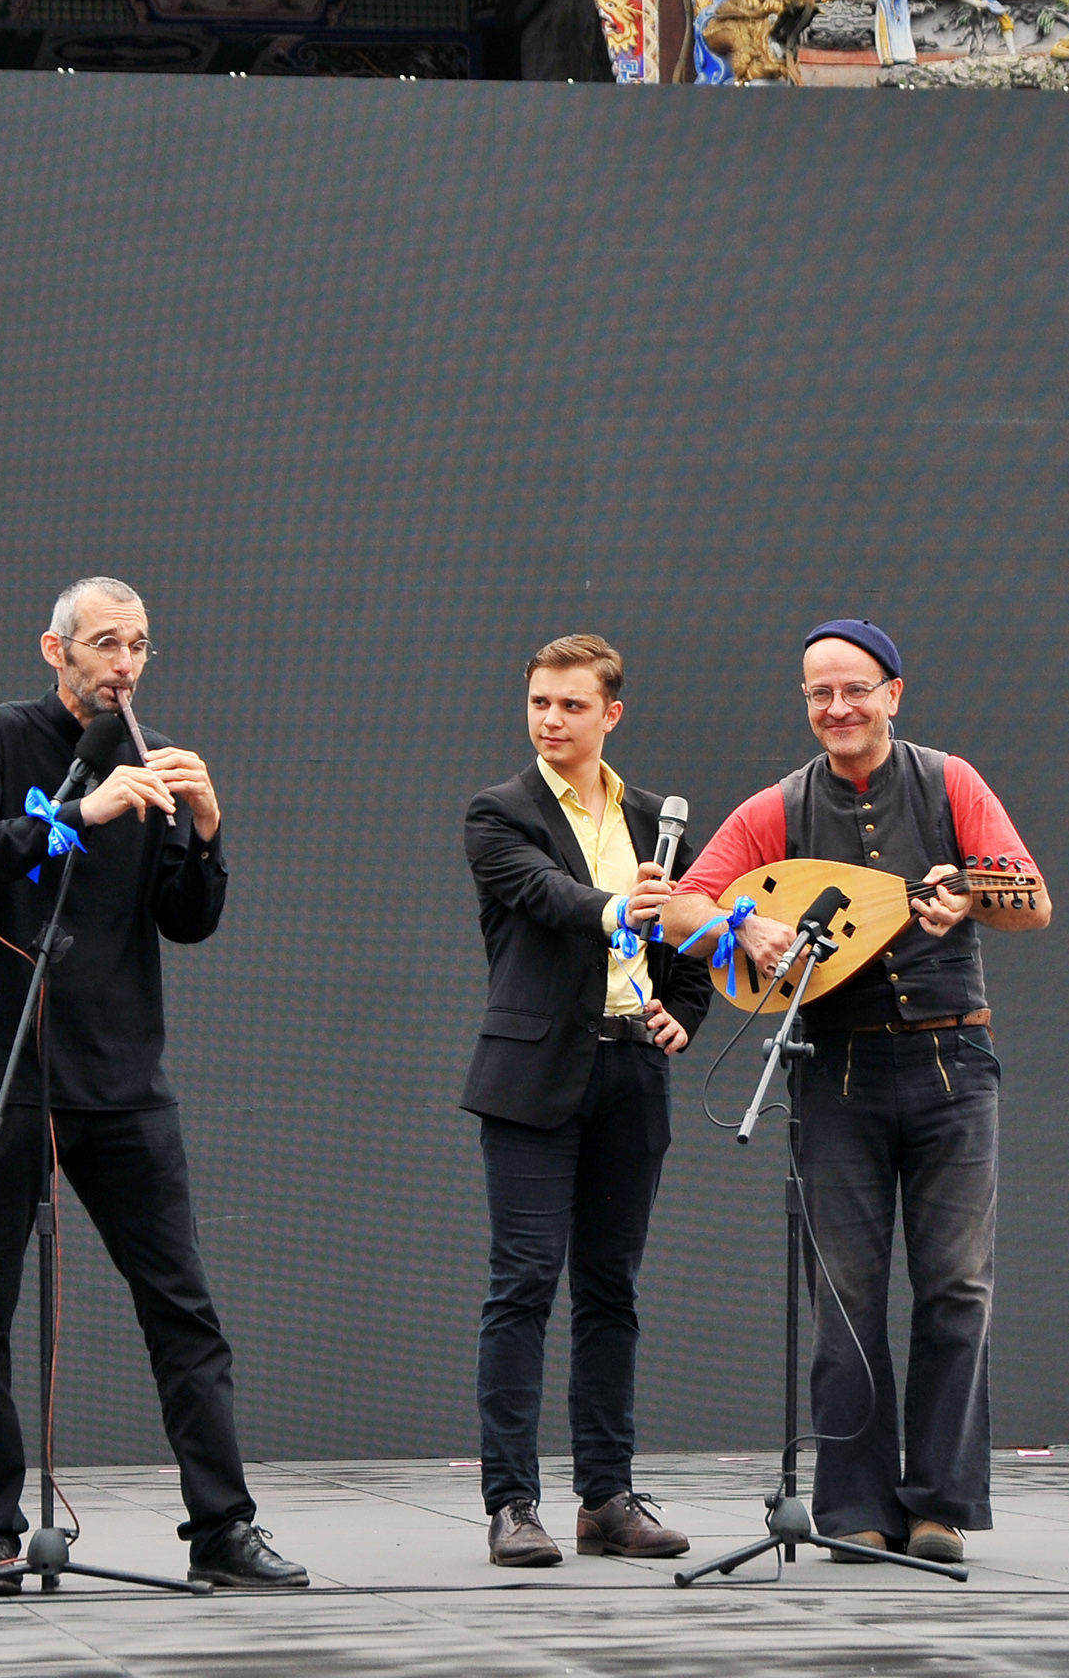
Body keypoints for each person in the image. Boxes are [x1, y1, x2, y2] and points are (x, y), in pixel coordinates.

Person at [0, 576, 306, 1592]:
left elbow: (186, 919)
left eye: (137, 645)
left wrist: (208, 830)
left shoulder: (156, 754)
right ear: (56, 650)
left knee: (184, 1309)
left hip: (125, 1078)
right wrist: (77, 812)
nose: (124, 664)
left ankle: (223, 1525)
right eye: (105, 644)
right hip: (9, 1068)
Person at [660, 619, 1050, 1568]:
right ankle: (854, 1510)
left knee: (956, 1288)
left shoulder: (951, 783)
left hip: (953, 1064)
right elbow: (680, 907)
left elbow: (1032, 899)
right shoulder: (780, 807)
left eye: (854, 690)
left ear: (893, 694)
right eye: (819, 694)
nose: (837, 708)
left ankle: (940, 1506)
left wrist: (970, 896)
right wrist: (742, 930)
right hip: (833, 1069)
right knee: (844, 1297)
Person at [460, 635, 714, 1568]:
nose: (551, 720)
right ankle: (511, 1502)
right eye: (539, 702)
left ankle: (607, 1498)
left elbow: (693, 930)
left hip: (631, 1072)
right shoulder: (500, 812)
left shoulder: (655, 820)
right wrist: (621, 906)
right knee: (523, 1284)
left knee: (612, 1290)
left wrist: (684, 1011)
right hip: (533, 1077)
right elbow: (548, 896)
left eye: (571, 705)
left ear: (612, 714)